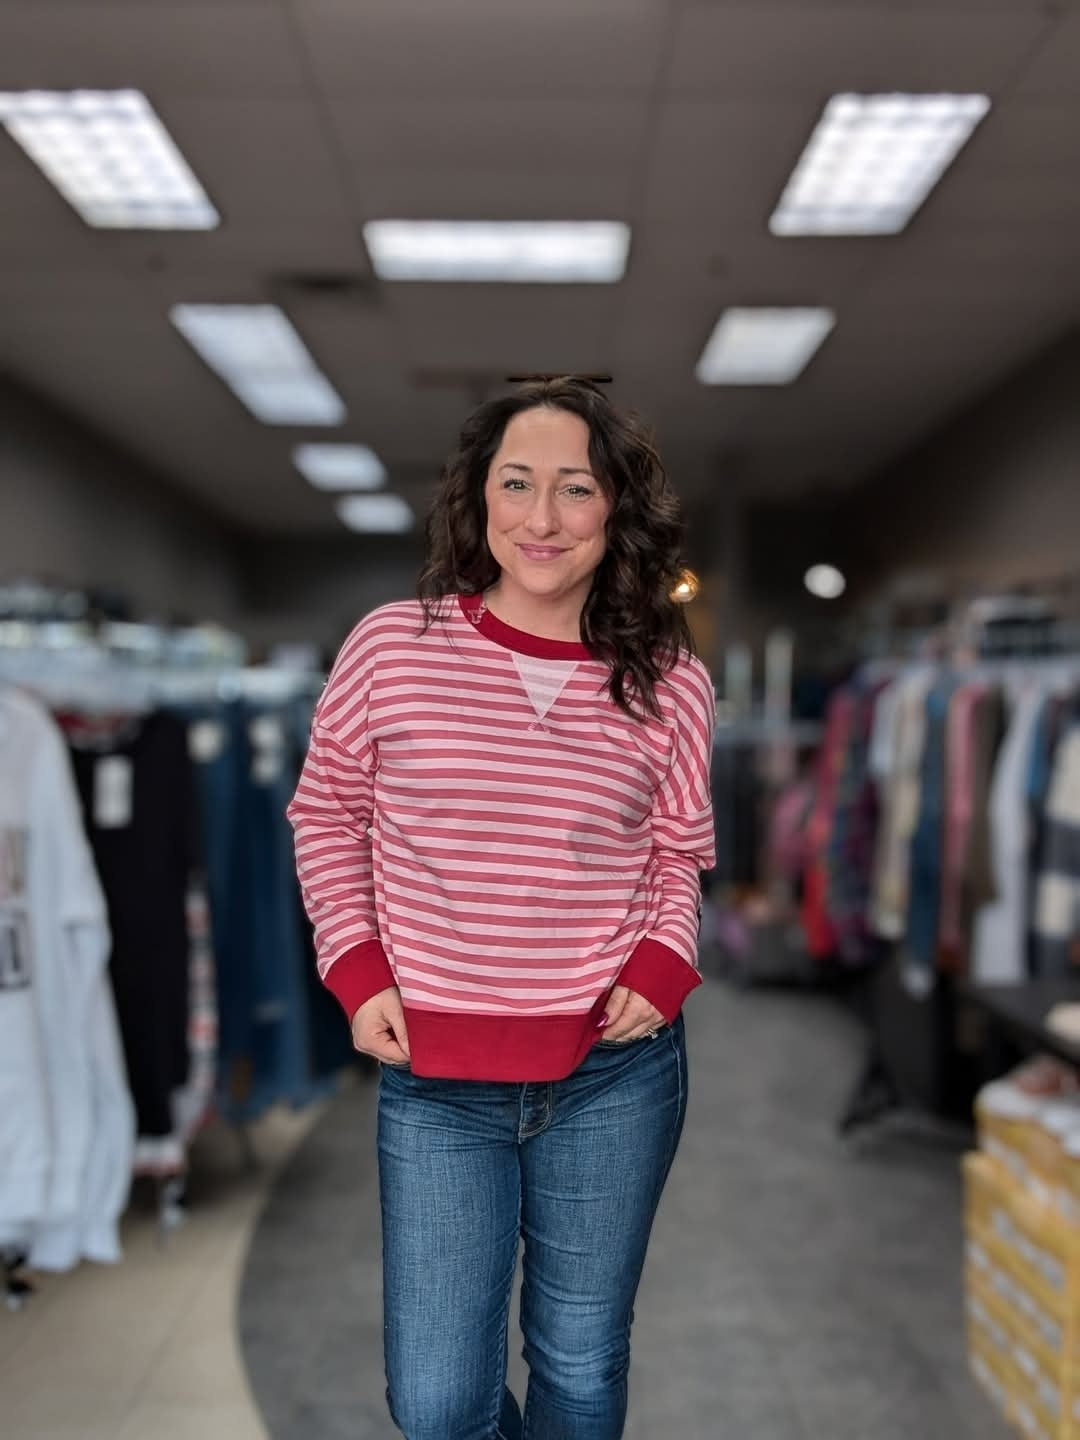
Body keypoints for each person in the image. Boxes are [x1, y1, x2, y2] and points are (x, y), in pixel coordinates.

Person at [287, 377, 715, 1439]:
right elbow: (326, 817)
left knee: (578, 1360)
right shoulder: (391, 646)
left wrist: (662, 963)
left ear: (614, 508)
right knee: (437, 1404)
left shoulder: (669, 680)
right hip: (436, 1081)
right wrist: (357, 970)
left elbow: (678, 853)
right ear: (477, 501)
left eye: (575, 488)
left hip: (612, 1074)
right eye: (516, 483)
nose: (543, 517)